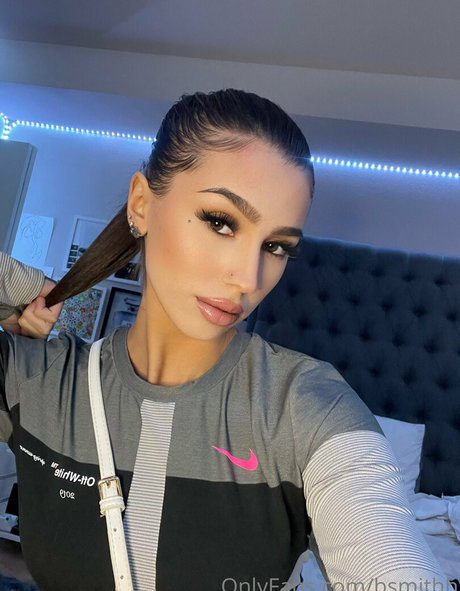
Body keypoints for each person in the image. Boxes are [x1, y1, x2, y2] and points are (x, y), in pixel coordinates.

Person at [0, 89, 449, 591]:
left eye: (276, 246)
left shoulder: (305, 406)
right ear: (141, 204)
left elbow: (387, 555)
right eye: (221, 222)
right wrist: (17, 285)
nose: (248, 278)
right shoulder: (35, 378)